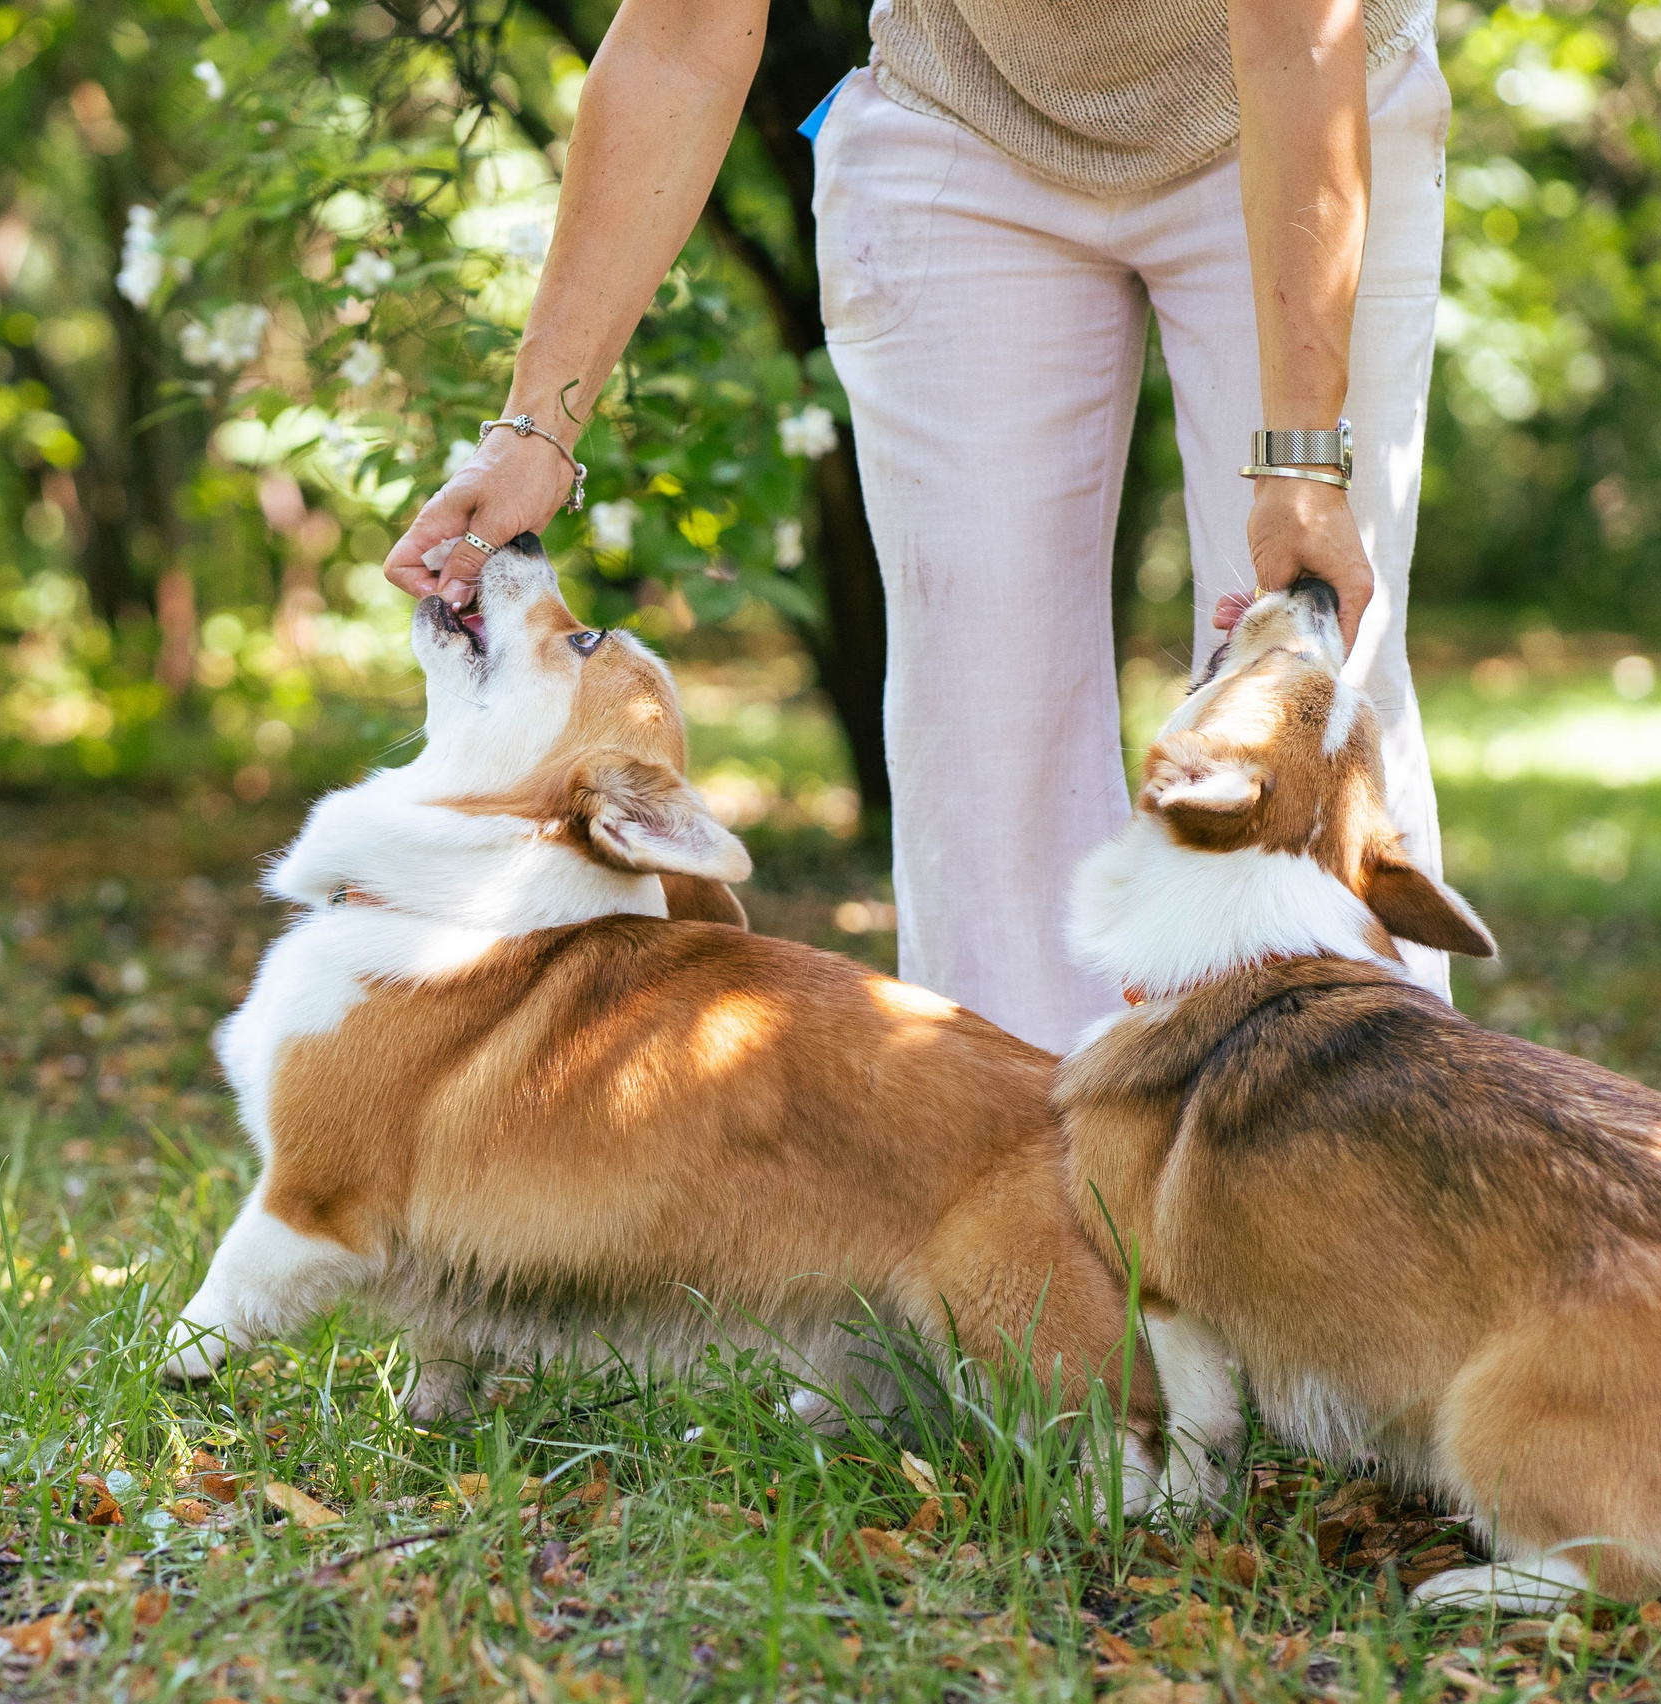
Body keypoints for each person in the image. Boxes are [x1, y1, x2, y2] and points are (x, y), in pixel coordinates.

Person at [384, 0, 1454, 1051]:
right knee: (978, 719)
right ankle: (1027, 1199)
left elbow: (1291, 32)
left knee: (1304, 697)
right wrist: (534, 430)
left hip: (1296, 101)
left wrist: (1304, 463)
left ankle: (1345, 1171)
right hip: (962, 112)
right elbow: (677, 36)